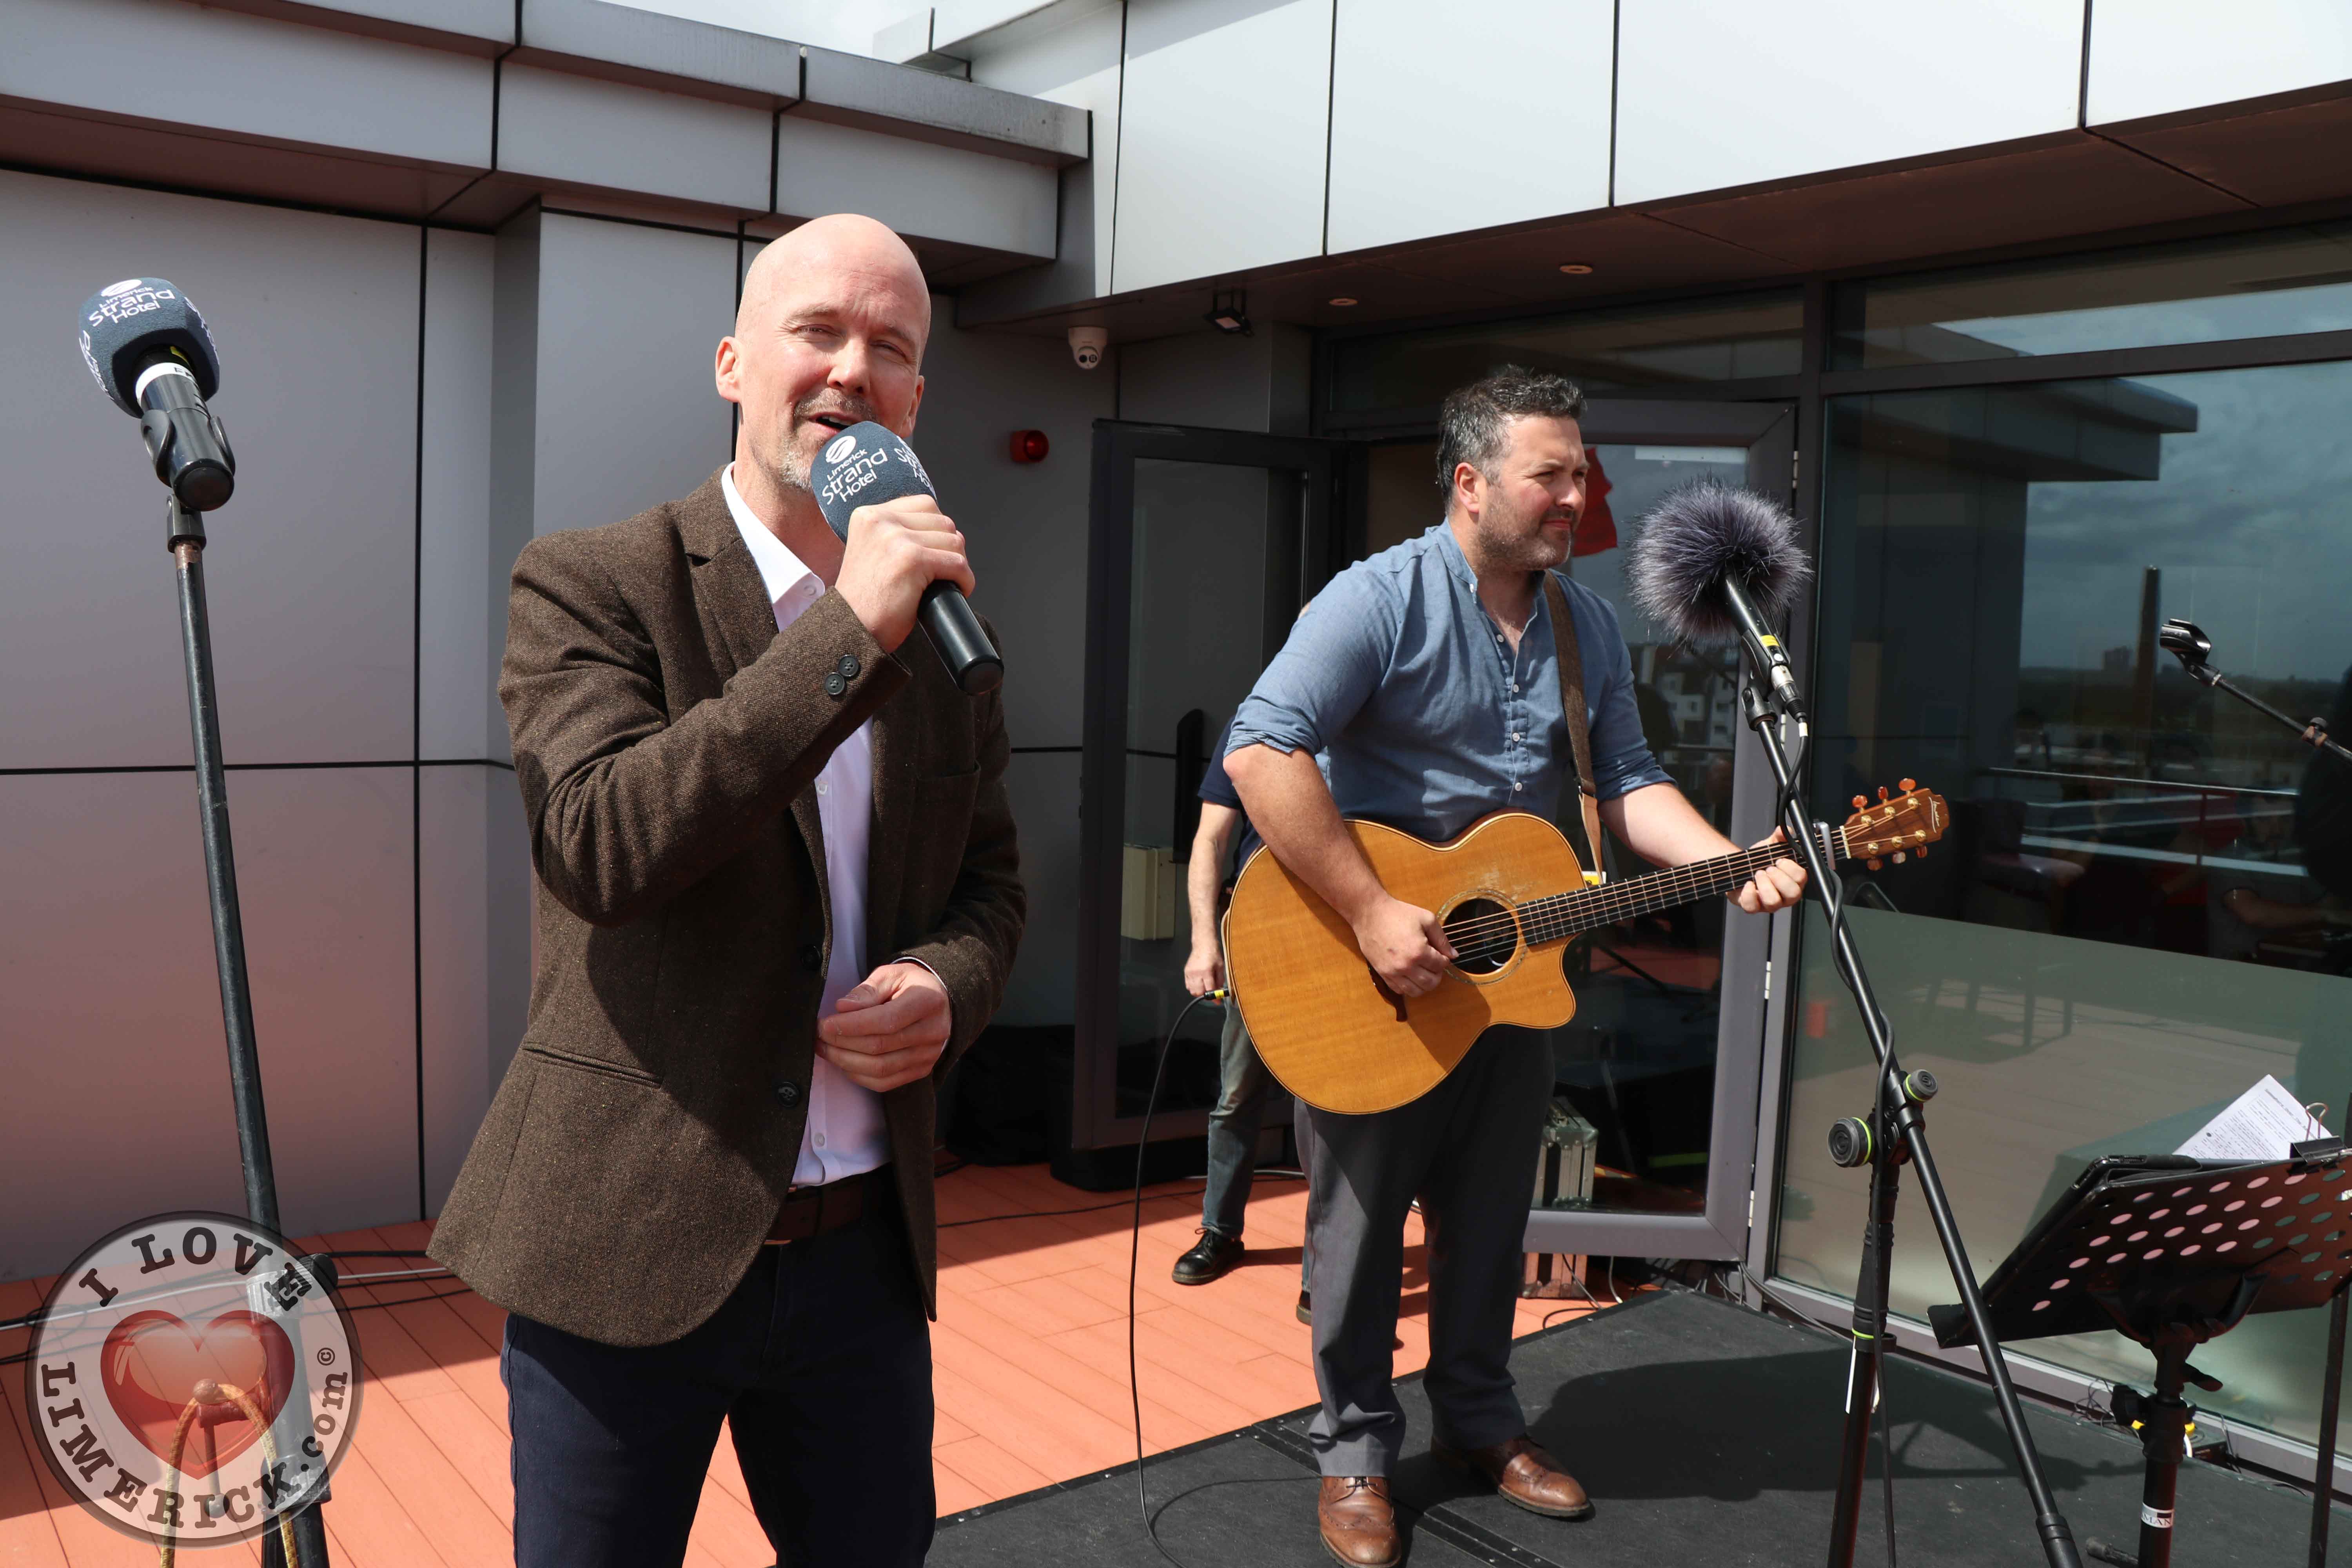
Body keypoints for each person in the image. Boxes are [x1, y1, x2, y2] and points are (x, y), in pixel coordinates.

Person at [428, 214, 1025, 1568]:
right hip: (624, 1243)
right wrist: (848, 632)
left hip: (862, 1258)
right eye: (818, 331)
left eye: (891, 348)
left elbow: (992, 889)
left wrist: (947, 985)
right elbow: (603, 846)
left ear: (915, 400)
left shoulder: (947, 632)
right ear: (733, 364)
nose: (852, 369)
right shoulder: (593, 581)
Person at [1223, 367, 1804, 1568]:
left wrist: (1728, 858)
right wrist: (1372, 911)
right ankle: (1354, 1453)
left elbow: (1628, 780)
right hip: (1365, 978)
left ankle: (1481, 1424)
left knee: (1491, 1223)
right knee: (1358, 1239)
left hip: (1513, 983)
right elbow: (1261, 751)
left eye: (1581, 473)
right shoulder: (1376, 600)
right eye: (1551, 474)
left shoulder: (1584, 626)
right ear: (1472, 481)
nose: (1575, 496)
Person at [1172, 716, 1294, 1299]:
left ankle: (1332, 1264)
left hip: (1351, 943)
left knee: (1338, 1108)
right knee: (1238, 1094)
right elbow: (1211, 839)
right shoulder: (1255, 722)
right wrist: (1204, 941)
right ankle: (1220, 1230)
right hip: (1258, 935)